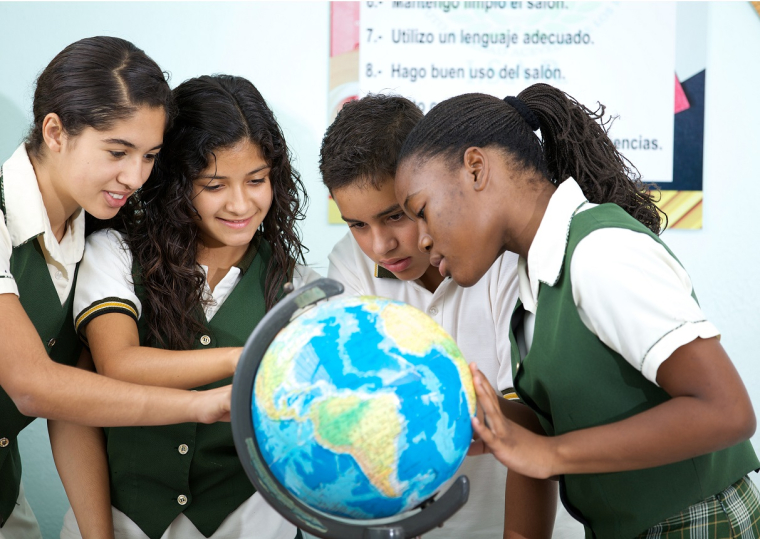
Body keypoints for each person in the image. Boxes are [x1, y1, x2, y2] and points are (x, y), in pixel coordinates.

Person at [394, 84, 760, 537]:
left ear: (475, 168)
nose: (421, 239)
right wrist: (483, 416)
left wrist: (548, 454)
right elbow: (568, 417)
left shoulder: (598, 253)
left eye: (422, 211)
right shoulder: (534, 283)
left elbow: (727, 411)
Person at [62, 74, 315, 539]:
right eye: (214, 185)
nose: (241, 203)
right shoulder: (115, 254)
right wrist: (247, 358)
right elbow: (117, 362)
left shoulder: (300, 290)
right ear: (176, 183)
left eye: (257, 180)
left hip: (250, 521)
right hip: (122, 521)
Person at [320, 94, 583, 539]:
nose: (380, 246)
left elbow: (529, 428)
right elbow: (357, 420)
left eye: (395, 216)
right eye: (357, 225)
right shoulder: (349, 265)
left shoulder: (503, 259)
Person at [0, 37, 232, 539]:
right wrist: (201, 404)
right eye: (117, 151)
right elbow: (33, 385)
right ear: (55, 131)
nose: (135, 176)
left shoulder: (92, 231)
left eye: (149, 156)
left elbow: (72, 404)